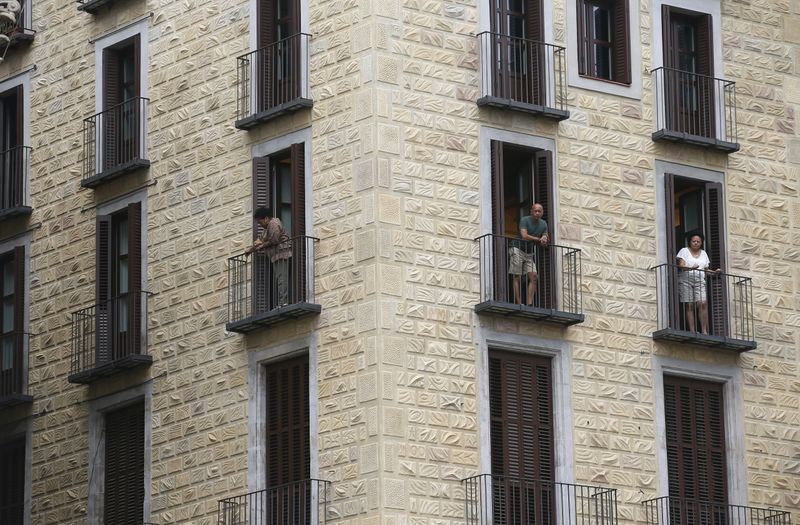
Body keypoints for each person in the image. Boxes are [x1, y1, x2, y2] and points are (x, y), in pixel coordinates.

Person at [245, 207, 292, 307]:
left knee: (281, 279)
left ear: (266, 218)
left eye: (260, 221)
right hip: (276, 256)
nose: (259, 224)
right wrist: (251, 249)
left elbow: (274, 240)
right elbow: (260, 241)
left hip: (282, 254)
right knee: (280, 279)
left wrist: (261, 245)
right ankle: (282, 301)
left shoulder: (274, 223)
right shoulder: (266, 230)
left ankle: (283, 302)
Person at [676, 233, 720, 334]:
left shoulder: (704, 253)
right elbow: (681, 266)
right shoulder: (684, 251)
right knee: (689, 305)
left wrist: (715, 272)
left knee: (702, 303)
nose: (696, 243)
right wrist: (691, 268)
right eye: (694, 241)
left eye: (698, 241)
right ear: (690, 242)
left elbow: (706, 271)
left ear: (701, 243)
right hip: (686, 279)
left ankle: (704, 330)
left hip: (700, 280)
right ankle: (692, 331)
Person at [509, 202, 549, 306]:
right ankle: (518, 303)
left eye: (539, 211)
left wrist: (544, 239)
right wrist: (539, 239)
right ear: (531, 211)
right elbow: (524, 236)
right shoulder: (525, 220)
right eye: (535, 211)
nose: (537, 213)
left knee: (534, 276)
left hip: (529, 252)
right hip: (517, 248)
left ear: (542, 213)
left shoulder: (544, 224)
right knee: (517, 276)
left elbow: (545, 236)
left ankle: (529, 304)